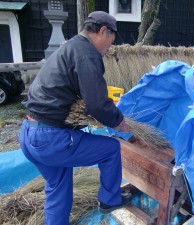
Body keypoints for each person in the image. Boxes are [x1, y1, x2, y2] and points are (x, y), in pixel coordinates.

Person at [18, 11, 131, 225]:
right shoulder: (86, 53)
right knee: (111, 150)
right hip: (50, 139)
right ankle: (109, 200)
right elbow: (97, 103)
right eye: (110, 43)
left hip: (28, 133)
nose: (108, 50)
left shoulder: (69, 47)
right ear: (103, 31)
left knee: (58, 187)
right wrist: (119, 122)